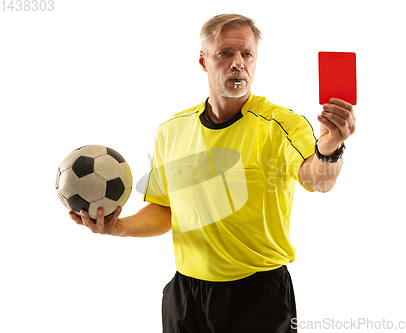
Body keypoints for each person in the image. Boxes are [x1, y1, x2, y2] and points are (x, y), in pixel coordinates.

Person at [70, 13, 356, 333]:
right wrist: (117, 227)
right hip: (186, 297)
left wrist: (330, 148)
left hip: (259, 296)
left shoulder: (281, 124)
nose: (238, 63)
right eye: (225, 53)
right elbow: (166, 209)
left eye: (247, 54)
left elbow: (317, 180)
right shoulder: (172, 131)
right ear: (204, 61)